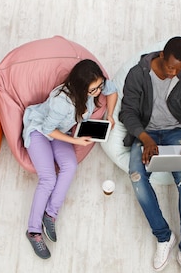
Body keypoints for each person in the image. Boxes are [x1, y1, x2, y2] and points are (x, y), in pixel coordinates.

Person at [119, 36, 181, 273]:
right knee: (137, 177)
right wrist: (144, 138)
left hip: (177, 133)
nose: (174, 73)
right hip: (145, 132)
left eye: (179, 69)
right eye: (171, 67)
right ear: (161, 54)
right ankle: (164, 237)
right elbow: (127, 112)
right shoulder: (138, 74)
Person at [22, 59, 117, 259]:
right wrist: (76, 141)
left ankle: (50, 214)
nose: (98, 92)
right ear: (81, 87)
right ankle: (33, 231)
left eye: (99, 86)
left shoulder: (97, 87)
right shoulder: (61, 102)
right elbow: (48, 129)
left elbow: (113, 89)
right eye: (93, 90)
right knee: (48, 179)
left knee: (70, 165)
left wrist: (109, 115)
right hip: (40, 130)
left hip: (60, 130)